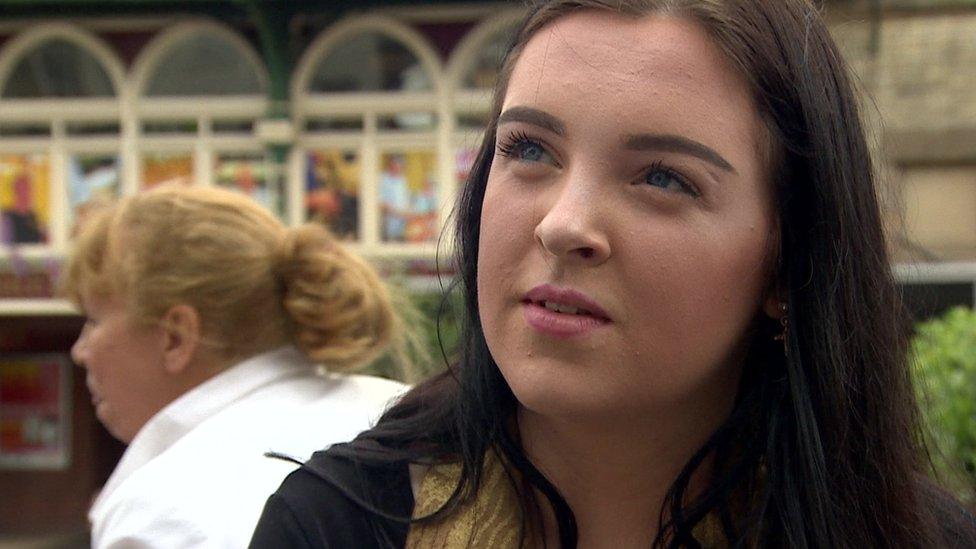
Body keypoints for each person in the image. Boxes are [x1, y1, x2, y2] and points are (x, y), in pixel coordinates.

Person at [250, 1, 976, 547]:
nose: (563, 224)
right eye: (529, 149)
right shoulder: (339, 523)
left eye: (662, 176)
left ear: (788, 264)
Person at [63, 185, 410, 548]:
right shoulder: (399, 408)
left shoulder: (165, 512)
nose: (80, 350)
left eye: (94, 319)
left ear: (175, 337)